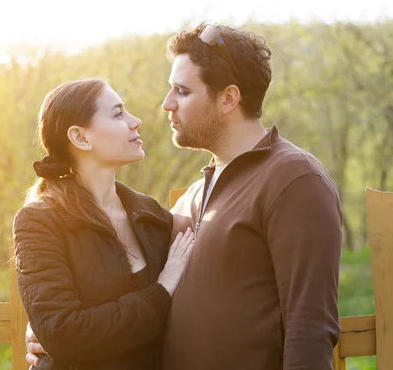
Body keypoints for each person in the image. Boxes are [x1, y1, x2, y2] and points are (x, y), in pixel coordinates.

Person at [25, 24, 343, 370]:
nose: (166, 105)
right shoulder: (187, 201)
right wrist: (51, 332)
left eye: (182, 91)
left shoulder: (293, 179)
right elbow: (125, 293)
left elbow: (310, 327)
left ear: (228, 98)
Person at [13, 77, 195, 370]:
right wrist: (162, 289)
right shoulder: (39, 222)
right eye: (118, 113)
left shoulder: (153, 215)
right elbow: (65, 335)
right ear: (81, 137)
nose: (135, 122)